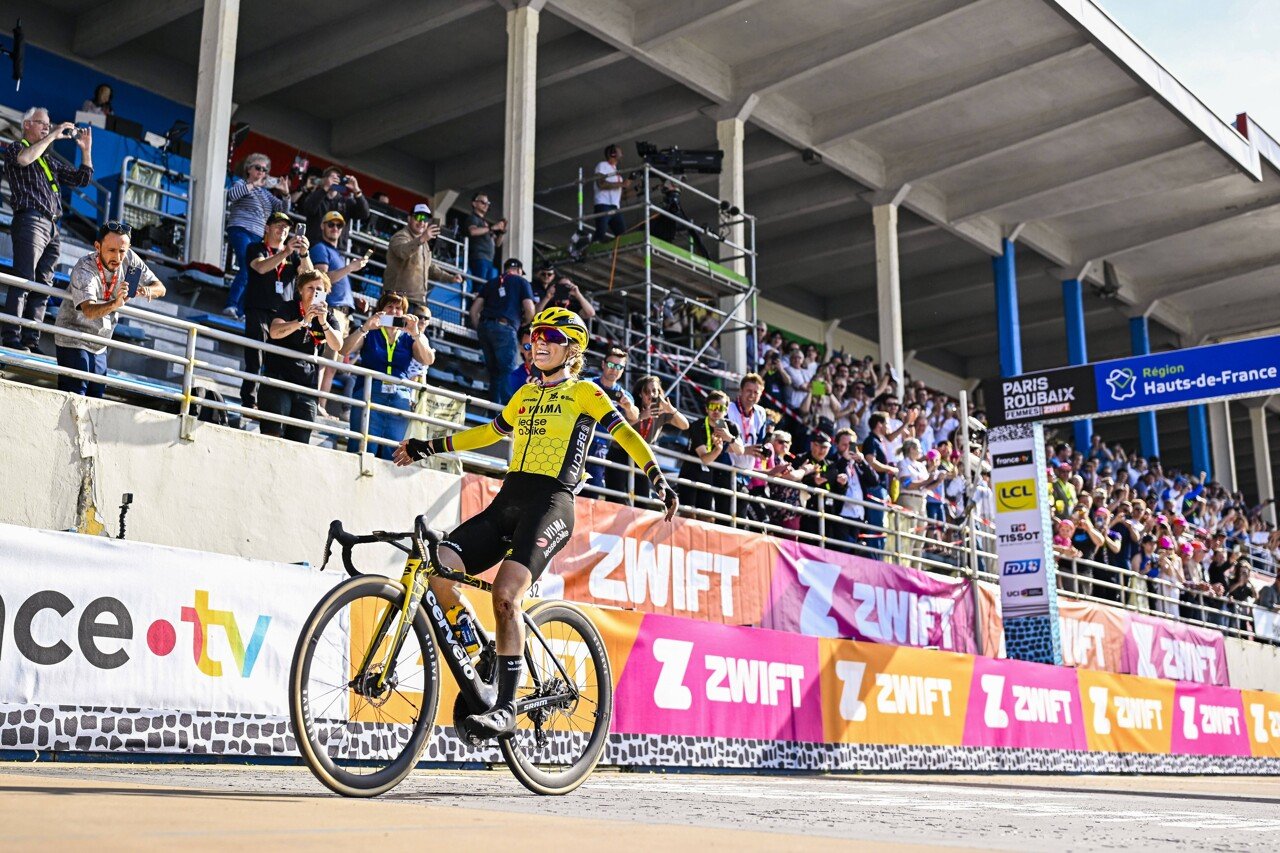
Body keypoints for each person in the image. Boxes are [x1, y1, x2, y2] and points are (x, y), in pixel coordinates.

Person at [393, 307, 676, 739]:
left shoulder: (586, 393)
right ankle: (483, 649)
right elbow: (488, 433)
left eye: (550, 335)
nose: (537, 341)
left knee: (506, 594)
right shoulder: (525, 395)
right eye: (535, 334)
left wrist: (656, 476)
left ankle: (506, 709)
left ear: (572, 347)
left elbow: (626, 435)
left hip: (551, 504)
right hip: (507, 501)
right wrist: (428, 446)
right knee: (437, 568)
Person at [2, 108, 95, 352]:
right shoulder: (16, 147)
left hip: (53, 226)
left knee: (43, 285)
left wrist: (86, 150)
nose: (46, 127)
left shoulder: (48, 159)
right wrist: (53, 136)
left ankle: (30, 341)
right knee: (25, 279)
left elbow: (80, 180)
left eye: (49, 124)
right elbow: (24, 159)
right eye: (42, 123)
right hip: (31, 219)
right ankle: (11, 336)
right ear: (26, 125)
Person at [52, 221, 165, 396]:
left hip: (100, 343)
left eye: (122, 251)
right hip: (74, 336)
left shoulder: (130, 259)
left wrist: (146, 290)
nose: (118, 258)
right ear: (97, 246)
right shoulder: (84, 268)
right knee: (75, 396)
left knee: (96, 399)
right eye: (111, 250)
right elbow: (89, 311)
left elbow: (161, 288)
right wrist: (115, 304)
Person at [339, 291, 435, 459]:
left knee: (392, 454)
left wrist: (416, 334)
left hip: (399, 398)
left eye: (398, 308)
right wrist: (365, 327)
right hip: (369, 394)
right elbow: (343, 350)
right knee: (361, 450)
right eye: (389, 306)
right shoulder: (370, 332)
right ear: (380, 309)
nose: (393, 311)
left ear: (404, 313)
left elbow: (428, 359)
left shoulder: (409, 336)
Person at [261, 270, 344, 443]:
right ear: (300, 290)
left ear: (326, 293)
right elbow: (274, 332)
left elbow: (337, 345)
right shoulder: (288, 307)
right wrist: (302, 321)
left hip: (307, 386)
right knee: (271, 436)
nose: (314, 293)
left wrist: (323, 322)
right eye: (310, 288)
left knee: (300, 443)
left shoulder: (328, 316)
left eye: (319, 289)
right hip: (278, 380)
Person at [241, 211, 312, 409]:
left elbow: (310, 276)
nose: (283, 230)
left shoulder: (294, 255)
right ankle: (250, 400)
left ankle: (271, 401)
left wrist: (304, 254)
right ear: (267, 228)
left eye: (286, 228)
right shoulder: (255, 247)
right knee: (256, 356)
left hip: (283, 313)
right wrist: (285, 253)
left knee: (279, 360)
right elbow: (261, 268)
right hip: (259, 309)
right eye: (278, 225)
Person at [309, 210, 370, 416]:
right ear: (323, 227)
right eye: (331, 224)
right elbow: (323, 279)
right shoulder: (320, 248)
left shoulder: (338, 253)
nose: (335, 228)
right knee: (325, 361)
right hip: (332, 311)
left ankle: (321, 406)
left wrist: (354, 299)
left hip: (343, 312)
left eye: (338, 225)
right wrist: (350, 268)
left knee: (332, 363)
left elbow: (338, 283)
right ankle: (314, 402)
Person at [224, 153, 291, 318]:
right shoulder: (241, 183)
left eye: (265, 170)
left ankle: (240, 311)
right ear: (249, 169)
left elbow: (282, 211)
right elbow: (231, 195)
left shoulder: (266, 193)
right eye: (258, 168)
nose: (262, 172)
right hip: (240, 229)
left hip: (258, 235)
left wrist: (285, 194)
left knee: (253, 272)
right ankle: (231, 305)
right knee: (248, 267)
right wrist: (253, 185)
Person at [607, 374, 687, 500]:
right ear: (640, 394)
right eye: (647, 391)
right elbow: (618, 424)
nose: (651, 394)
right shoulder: (633, 406)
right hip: (621, 451)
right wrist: (641, 416)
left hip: (642, 454)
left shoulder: (662, 411)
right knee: (616, 494)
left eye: (655, 390)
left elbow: (685, 425)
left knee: (642, 496)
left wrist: (672, 410)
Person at [470, 258, 535, 403]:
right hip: (505, 328)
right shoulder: (521, 282)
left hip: (485, 328)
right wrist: (524, 322)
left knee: (495, 373)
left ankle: (493, 412)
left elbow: (474, 311)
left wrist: (480, 329)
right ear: (519, 270)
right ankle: (506, 412)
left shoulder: (491, 283)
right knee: (507, 370)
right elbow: (530, 309)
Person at [383, 203, 464, 318]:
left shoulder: (424, 243)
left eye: (425, 219)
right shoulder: (400, 236)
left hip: (417, 302)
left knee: (415, 335)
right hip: (397, 300)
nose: (422, 222)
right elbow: (402, 252)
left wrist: (450, 278)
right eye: (418, 217)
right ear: (409, 218)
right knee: (393, 334)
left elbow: (429, 268)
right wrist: (422, 239)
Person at [678, 390, 742, 519]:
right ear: (706, 409)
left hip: (708, 477)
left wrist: (730, 438)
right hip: (690, 473)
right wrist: (717, 450)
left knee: (705, 516)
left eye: (720, 408)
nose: (716, 411)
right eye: (713, 407)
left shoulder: (731, 427)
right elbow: (705, 459)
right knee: (687, 515)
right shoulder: (697, 425)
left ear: (726, 410)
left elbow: (740, 451)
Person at [587, 347, 638, 491]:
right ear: (603, 364)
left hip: (601, 447)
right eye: (611, 365)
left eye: (619, 366)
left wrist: (628, 407)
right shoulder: (588, 384)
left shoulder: (624, 395)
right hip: (580, 439)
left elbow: (634, 416)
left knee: (593, 491)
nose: (614, 370)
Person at [860, 412, 898, 558]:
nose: (889, 427)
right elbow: (870, 461)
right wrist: (890, 469)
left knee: (880, 526)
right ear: (879, 424)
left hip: (880, 489)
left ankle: (877, 558)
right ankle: (875, 560)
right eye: (887, 423)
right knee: (876, 527)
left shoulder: (877, 441)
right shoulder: (871, 440)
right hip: (875, 489)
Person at [300, 166, 369, 244]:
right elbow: (308, 209)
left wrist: (357, 191)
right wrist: (325, 188)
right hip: (314, 244)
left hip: (337, 248)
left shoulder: (346, 202)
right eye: (332, 177)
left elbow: (364, 214)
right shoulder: (315, 196)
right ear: (324, 180)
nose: (335, 180)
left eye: (337, 178)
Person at [464, 192, 505, 286]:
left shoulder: (484, 223)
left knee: (487, 289)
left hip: (489, 260)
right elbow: (473, 231)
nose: (486, 205)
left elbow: (497, 243)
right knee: (479, 287)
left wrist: (501, 232)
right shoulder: (473, 218)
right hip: (479, 257)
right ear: (474, 203)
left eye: (488, 203)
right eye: (483, 202)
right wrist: (492, 228)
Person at [592, 144, 628, 242]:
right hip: (603, 204)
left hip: (615, 207)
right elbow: (601, 184)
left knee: (622, 235)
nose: (622, 155)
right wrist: (621, 184)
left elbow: (621, 196)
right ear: (612, 154)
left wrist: (638, 189)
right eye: (619, 152)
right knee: (601, 231)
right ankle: (592, 250)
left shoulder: (617, 173)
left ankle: (617, 254)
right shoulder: (602, 165)